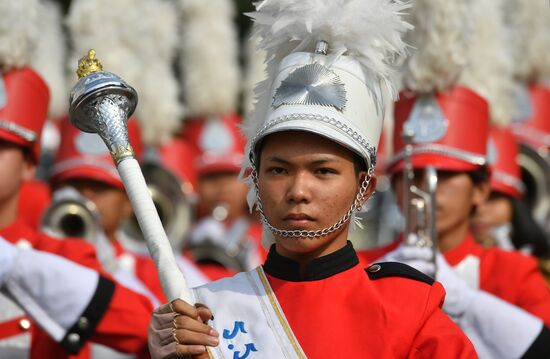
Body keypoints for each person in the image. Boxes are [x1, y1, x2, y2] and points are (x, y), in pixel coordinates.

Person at [148, 0, 477, 357]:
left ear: (364, 186)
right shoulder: (204, 312)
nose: (298, 191)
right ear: (255, 178)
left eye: (323, 171)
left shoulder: (408, 308)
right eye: (278, 170)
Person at [359, 0, 550, 356]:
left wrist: (466, 301)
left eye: (446, 176)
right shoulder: (362, 267)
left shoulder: (513, 272)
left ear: (480, 190)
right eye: (412, 175)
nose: (428, 190)